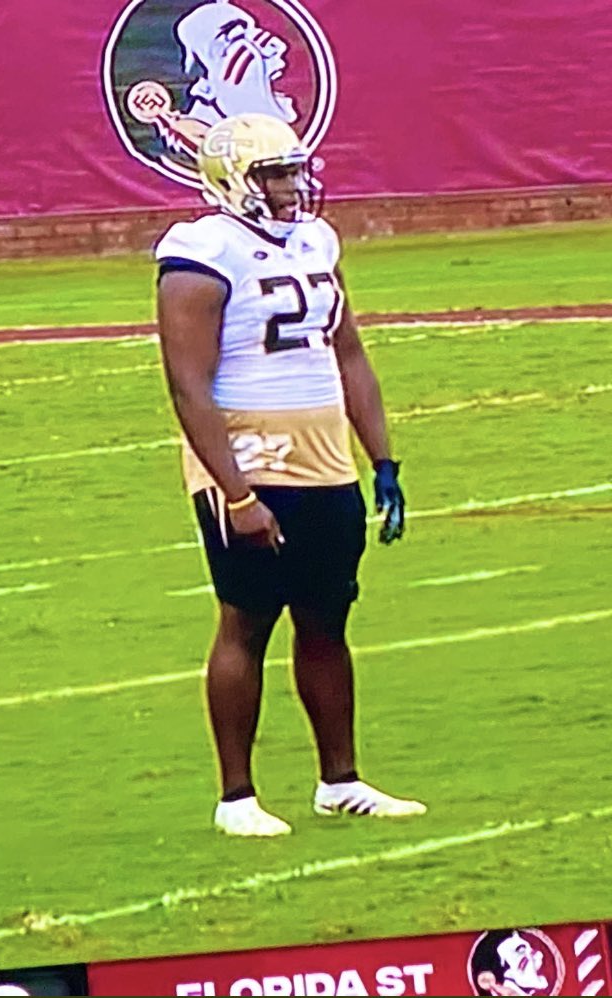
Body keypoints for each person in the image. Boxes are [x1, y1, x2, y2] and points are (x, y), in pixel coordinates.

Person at [154, 112, 427, 836]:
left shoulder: (316, 239)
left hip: (323, 452)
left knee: (327, 617)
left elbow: (349, 354)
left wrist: (382, 459)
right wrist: (236, 492)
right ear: (233, 179)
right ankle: (236, 797)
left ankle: (341, 781)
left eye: (293, 170)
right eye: (275, 173)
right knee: (247, 619)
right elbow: (188, 385)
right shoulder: (201, 251)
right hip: (247, 450)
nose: (291, 185)